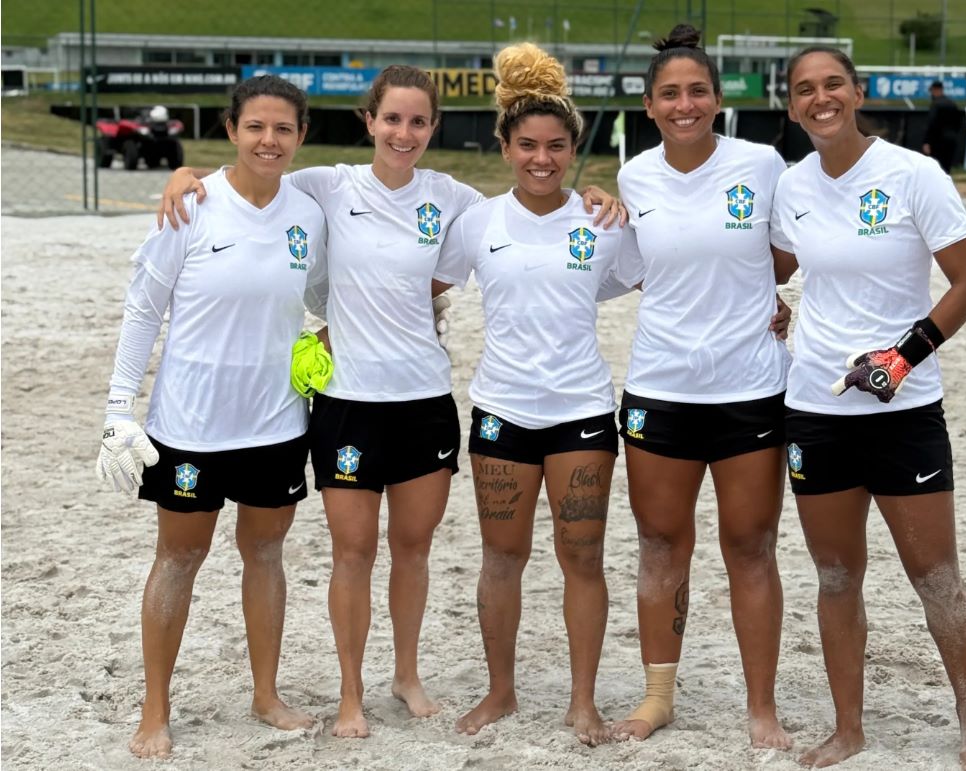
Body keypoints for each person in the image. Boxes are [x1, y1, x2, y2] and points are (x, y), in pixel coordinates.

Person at [157, 65, 622, 739]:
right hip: (347, 400)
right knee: (352, 552)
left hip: (425, 398)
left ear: (434, 127)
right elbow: (252, 171)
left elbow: (527, 209)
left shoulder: (454, 198)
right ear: (368, 121)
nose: (404, 133)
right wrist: (183, 175)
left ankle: (406, 674)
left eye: (418, 121)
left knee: (413, 547)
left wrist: (596, 194)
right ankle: (351, 693)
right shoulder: (325, 185)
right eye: (392, 119)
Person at [769, 45, 966, 770]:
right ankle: (849, 727)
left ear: (857, 91)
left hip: (903, 410)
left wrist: (905, 354)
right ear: (790, 104)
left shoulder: (912, 174)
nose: (820, 98)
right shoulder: (791, 186)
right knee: (836, 577)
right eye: (804, 89)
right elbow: (768, 268)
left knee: (937, 577)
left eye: (832, 83)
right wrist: (768, 304)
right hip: (815, 409)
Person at [96, 75, 328, 758]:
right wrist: (118, 408)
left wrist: (336, 338)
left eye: (283, 128)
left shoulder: (307, 215)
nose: (269, 140)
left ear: (300, 136)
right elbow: (144, 309)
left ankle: (266, 693)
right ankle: (154, 709)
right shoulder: (191, 205)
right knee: (179, 557)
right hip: (189, 425)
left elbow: (326, 294)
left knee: (265, 552)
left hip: (278, 424)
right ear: (231, 129)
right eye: (256, 126)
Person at [431, 42, 637, 746]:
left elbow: (667, 285)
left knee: (581, 557)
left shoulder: (604, 224)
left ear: (575, 147)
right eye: (527, 144)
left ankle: (584, 700)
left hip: (581, 411)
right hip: (501, 411)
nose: (541, 158)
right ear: (504, 145)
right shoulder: (477, 223)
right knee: (501, 557)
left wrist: (775, 308)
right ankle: (501, 690)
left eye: (555, 145)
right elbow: (421, 289)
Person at [606, 25, 794, 749]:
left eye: (697, 92)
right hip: (661, 385)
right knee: (660, 543)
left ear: (718, 98)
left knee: (750, 545)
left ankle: (761, 706)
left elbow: (780, 257)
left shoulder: (762, 164)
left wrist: (768, 302)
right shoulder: (635, 177)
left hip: (749, 387)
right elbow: (638, 267)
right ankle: (658, 698)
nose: (684, 105)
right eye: (669, 95)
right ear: (648, 105)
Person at [923, 80, 961, 173]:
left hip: (937, 142)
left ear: (936, 90)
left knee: (936, 169)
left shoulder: (935, 104)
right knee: (947, 169)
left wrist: (927, 142)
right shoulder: (952, 104)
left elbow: (932, 124)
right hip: (951, 140)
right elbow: (959, 123)